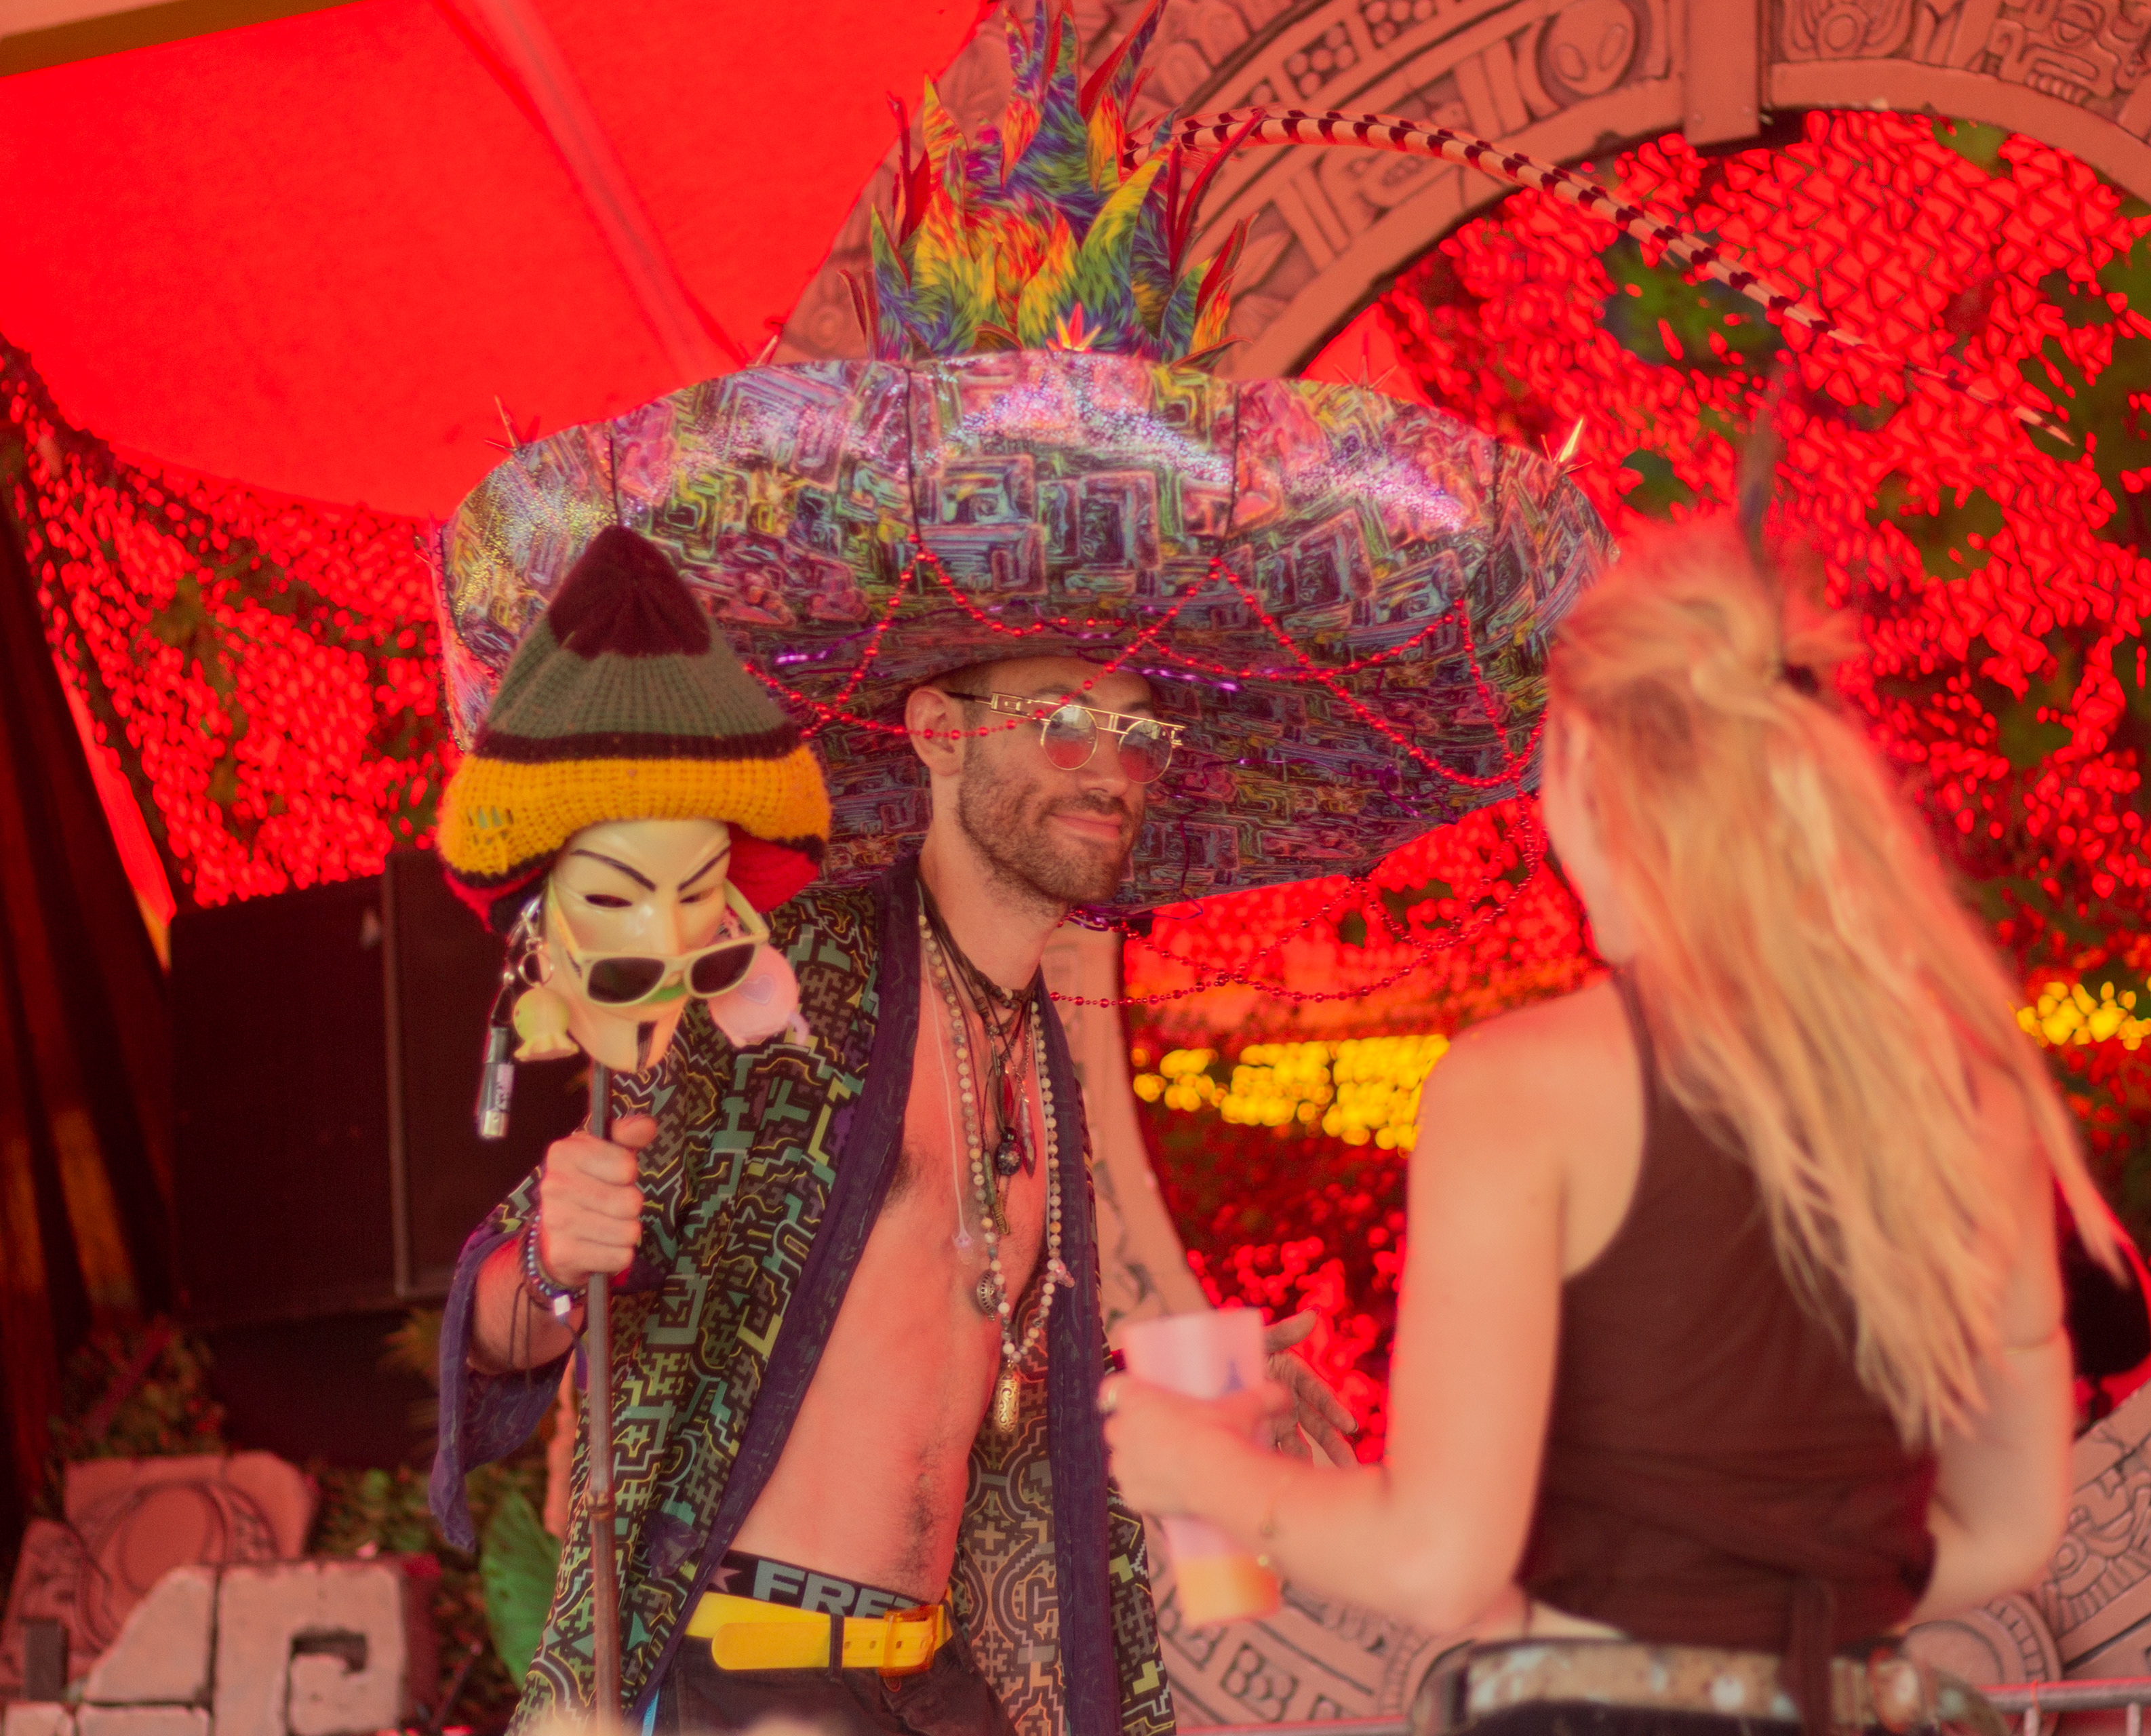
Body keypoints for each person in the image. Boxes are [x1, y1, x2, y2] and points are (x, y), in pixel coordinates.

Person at [421, 11, 1610, 1735]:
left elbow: (968, 1374)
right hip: (750, 1674)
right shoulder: (805, 987)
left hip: (921, 1683)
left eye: (1133, 728)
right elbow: (533, 1303)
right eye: (1056, 719)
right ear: (935, 733)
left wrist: (1206, 1422)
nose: (1108, 761)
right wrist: (549, 1251)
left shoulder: (1026, 1035)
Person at [1099, 517, 2124, 1736]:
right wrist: (1772, 1595)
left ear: (1582, 763)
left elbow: (1437, 1562)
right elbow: (2007, 1529)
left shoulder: (1523, 1087)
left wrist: (1202, 1470)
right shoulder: (1972, 1097)